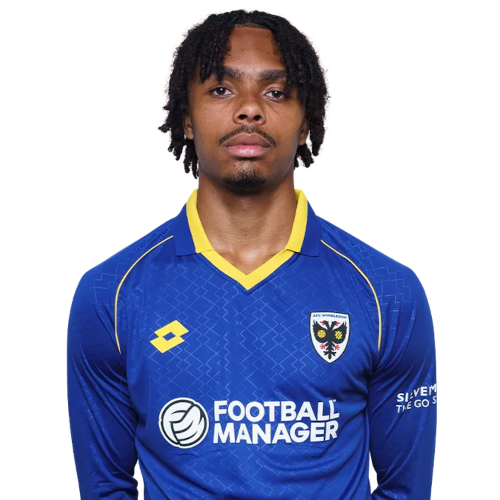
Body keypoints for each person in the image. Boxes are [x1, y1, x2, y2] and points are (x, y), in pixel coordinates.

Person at [66, 7, 438, 499]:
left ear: (307, 122)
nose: (249, 109)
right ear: (186, 118)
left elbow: (405, 491)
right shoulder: (111, 294)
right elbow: (105, 488)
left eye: (276, 91)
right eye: (221, 89)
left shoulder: (387, 292)